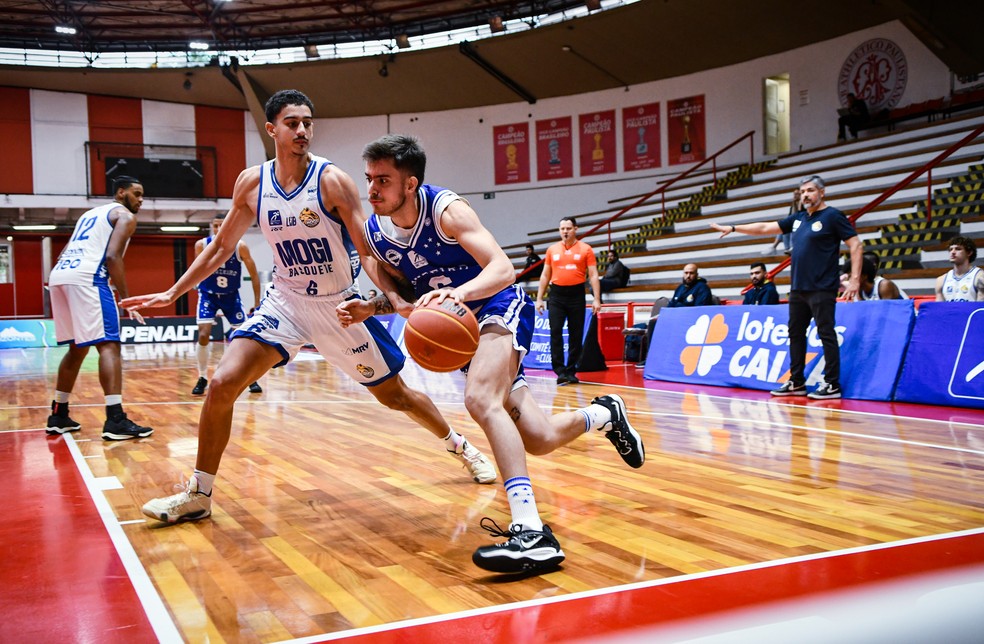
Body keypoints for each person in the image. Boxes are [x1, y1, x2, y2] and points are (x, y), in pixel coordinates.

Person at [122, 90, 496, 524]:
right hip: (286, 302)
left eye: (307, 123)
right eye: (292, 123)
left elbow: (369, 250)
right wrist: (172, 292)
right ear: (272, 129)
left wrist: (391, 300)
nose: (302, 130)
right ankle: (199, 494)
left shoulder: (333, 181)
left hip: (338, 306)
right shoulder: (251, 183)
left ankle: (461, 447)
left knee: (397, 398)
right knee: (223, 382)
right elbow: (222, 246)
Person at [353, 134, 644, 574]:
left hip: (496, 306)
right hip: (464, 328)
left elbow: (502, 268)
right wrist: (384, 303)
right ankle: (604, 415)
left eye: (383, 180)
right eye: (370, 179)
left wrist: (460, 294)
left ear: (410, 185)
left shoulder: (446, 210)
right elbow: (389, 276)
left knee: (480, 399)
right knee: (540, 439)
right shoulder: (376, 232)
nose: (372, 189)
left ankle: (532, 531)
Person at [710, 175, 862, 400]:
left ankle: (832, 384)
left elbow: (856, 244)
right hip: (798, 289)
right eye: (802, 192)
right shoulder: (798, 218)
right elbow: (764, 227)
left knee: (826, 333)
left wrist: (856, 279)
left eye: (810, 191)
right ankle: (797, 382)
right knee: (795, 335)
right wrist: (733, 228)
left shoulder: (833, 216)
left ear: (822, 192)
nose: (805, 195)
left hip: (822, 287)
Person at [46, 175, 154, 440]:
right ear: (120, 193)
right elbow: (111, 256)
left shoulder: (91, 214)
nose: (140, 200)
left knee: (77, 347)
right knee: (109, 346)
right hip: (88, 279)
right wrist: (127, 298)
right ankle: (115, 419)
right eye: (136, 193)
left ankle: (59, 414)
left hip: (59, 276)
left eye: (142, 195)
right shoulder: (125, 216)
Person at [191, 213, 263, 396]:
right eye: (215, 225)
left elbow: (254, 276)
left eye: (222, 225)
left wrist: (256, 303)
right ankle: (202, 377)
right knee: (203, 335)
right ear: (212, 227)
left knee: (245, 338)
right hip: (208, 295)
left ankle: (250, 378)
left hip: (231, 296)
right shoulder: (202, 245)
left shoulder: (240, 247)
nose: (218, 229)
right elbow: (195, 270)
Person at [536, 217, 602, 386]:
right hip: (556, 295)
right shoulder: (552, 250)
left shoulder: (586, 249)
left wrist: (596, 298)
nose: (565, 231)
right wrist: (539, 298)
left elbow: (593, 275)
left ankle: (571, 371)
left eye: (568, 228)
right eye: (562, 228)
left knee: (576, 334)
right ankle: (560, 371)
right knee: (555, 332)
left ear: (575, 229)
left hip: (577, 295)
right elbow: (545, 275)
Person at [935, 235, 984, 301]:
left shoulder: (980, 277)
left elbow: (980, 309)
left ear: (969, 253)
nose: (952, 252)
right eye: (950, 249)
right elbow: (940, 309)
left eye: (958, 249)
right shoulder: (941, 280)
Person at [765, 188, 799, 255]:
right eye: (794, 194)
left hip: (801, 224)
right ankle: (783, 248)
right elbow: (790, 216)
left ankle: (790, 247)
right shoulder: (793, 204)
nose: (795, 195)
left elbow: (798, 215)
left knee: (790, 227)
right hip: (795, 223)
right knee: (783, 229)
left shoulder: (803, 204)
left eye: (797, 194)